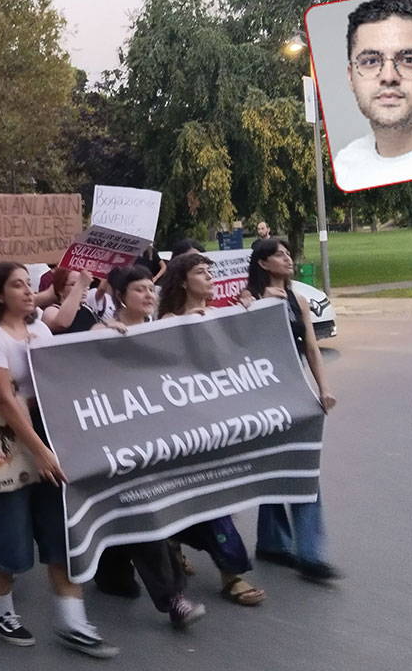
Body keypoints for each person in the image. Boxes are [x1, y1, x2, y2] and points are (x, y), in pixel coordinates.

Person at [0, 262, 119, 658]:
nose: (26, 291)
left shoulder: (40, 330)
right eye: (16, 285)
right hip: (1, 441)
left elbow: (60, 377)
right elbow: (4, 399)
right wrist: (38, 449)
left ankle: (72, 619)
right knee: (10, 533)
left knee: (60, 531)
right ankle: (1, 612)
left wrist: (109, 333)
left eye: (27, 284)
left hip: (46, 436)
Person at [89, 264, 207, 628]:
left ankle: (112, 574)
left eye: (149, 288)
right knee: (146, 515)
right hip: (119, 444)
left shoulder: (162, 328)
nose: (148, 294)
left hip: (157, 440)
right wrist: (102, 332)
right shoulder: (103, 330)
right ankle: (173, 598)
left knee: (148, 514)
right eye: (138, 289)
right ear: (120, 297)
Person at [156, 253, 268, 606]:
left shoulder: (222, 313)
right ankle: (231, 574)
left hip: (220, 422)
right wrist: (191, 322)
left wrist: (250, 311)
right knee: (205, 497)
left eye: (210, 272)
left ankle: (178, 542)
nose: (208, 278)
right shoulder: (167, 321)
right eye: (200, 273)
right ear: (183, 281)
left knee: (219, 496)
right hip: (185, 427)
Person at [243, 238, 341, 582]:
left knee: (302, 466)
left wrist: (323, 388)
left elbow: (312, 349)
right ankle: (284, 545)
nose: (288, 258)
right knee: (276, 468)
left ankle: (300, 549)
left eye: (288, 252)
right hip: (261, 397)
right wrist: (256, 307)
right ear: (263, 264)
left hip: (294, 391)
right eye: (279, 254)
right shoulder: (248, 300)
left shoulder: (297, 300)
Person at [333, 0, 412, 191]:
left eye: (408, 60)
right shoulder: (346, 163)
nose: (388, 76)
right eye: (370, 61)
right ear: (351, 77)